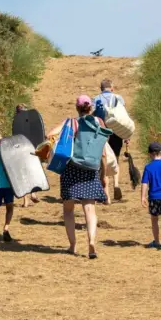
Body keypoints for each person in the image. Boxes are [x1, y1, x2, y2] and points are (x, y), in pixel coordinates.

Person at [47, 95, 109, 259]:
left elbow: (50, 134)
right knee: (90, 209)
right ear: (91, 108)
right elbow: (102, 152)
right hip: (91, 169)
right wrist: (103, 174)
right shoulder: (99, 123)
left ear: (77, 108)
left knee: (68, 210)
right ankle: (92, 241)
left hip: (71, 168)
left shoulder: (71, 122)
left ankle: (73, 245)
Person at [141, 142, 161, 249]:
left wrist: (143, 197)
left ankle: (156, 241)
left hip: (153, 197)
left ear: (150, 154)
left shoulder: (148, 167)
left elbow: (145, 183)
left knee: (154, 219)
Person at [14, 103, 41, 208]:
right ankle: (30, 197)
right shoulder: (20, 122)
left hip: (26, 151)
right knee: (28, 174)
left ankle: (30, 196)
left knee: (26, 175)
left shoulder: (17, 122)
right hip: (26, 151)